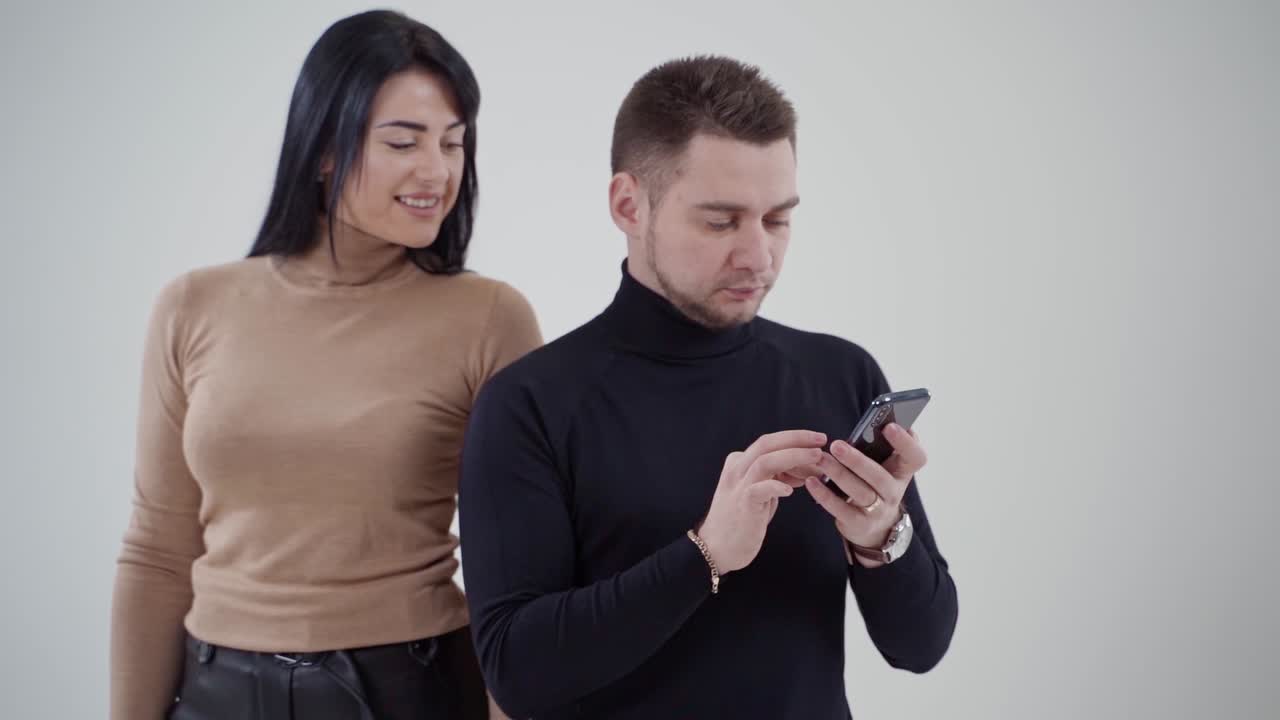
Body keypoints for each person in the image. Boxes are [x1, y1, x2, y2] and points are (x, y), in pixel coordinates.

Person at [458, 55, 958, 719]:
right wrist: (704, 556)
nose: (759, 256)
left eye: (777, 219)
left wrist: (880, 537)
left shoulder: (840, 374)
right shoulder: (530, 405)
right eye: (721, 221)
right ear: (629, 205)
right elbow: (516, 673)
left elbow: (920, 647)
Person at [110, 10, 540, 719]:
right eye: (404, 141)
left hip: (410, 689)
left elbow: (520, 567)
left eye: (453, 144)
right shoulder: (193, 306)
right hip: (215, 688)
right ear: (323, 151)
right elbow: (158, 548)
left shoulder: (490, 319)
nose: (436, 170)